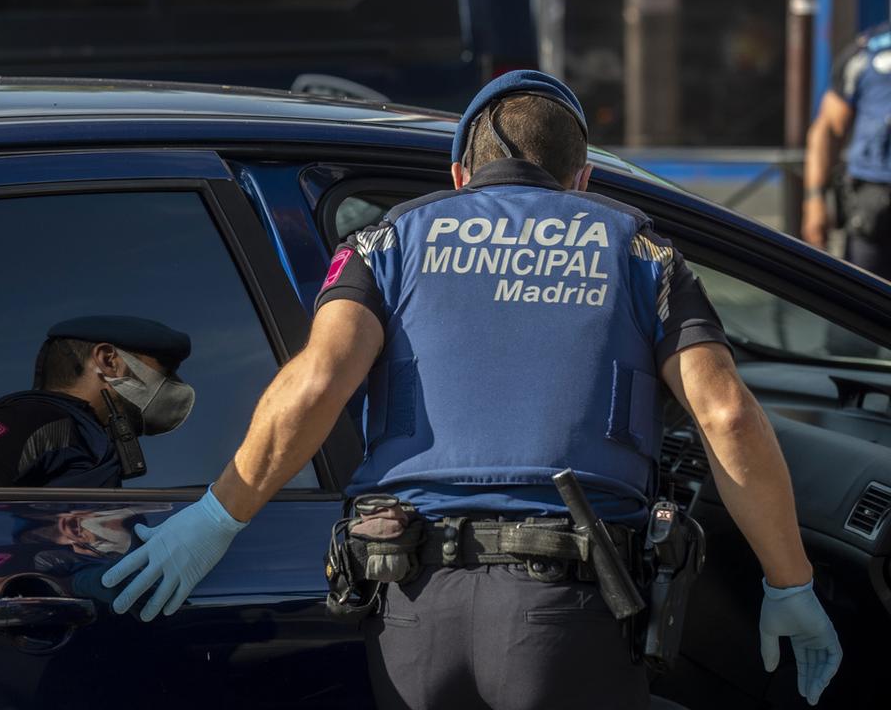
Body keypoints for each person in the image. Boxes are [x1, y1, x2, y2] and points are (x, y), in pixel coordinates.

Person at [102, 71, 842, 708]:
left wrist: (215, 520)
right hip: (567, 610)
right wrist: (789, 583)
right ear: (582, 179)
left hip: (412, 609)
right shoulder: (640, 250)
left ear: (458, 173)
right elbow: (726, 418)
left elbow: (318, 381)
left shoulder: (383, 242)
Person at [0, 315, 194, 488]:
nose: (173, 382)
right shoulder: (34, 417)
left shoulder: (84, 432)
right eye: (166, 370)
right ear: (108, 361)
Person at [805, 21, 891, 278]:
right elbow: (828, 128)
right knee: (865, 306)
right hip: (874, 208)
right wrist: (814, 199)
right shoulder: (868, 53)